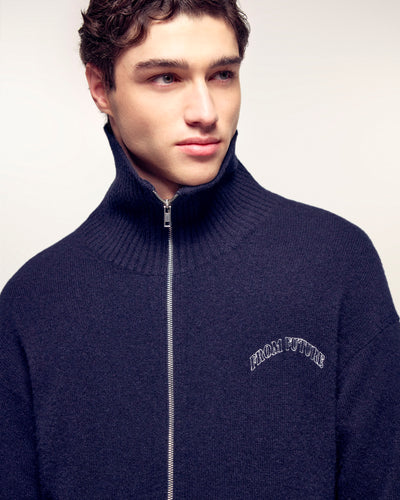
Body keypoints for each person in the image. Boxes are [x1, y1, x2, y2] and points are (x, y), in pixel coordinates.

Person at [0, 0, 399, 498]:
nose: (206, 113)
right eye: (166, 78)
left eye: (222, 75)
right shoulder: (33, 301)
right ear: (101, 88)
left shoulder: (336, 263)